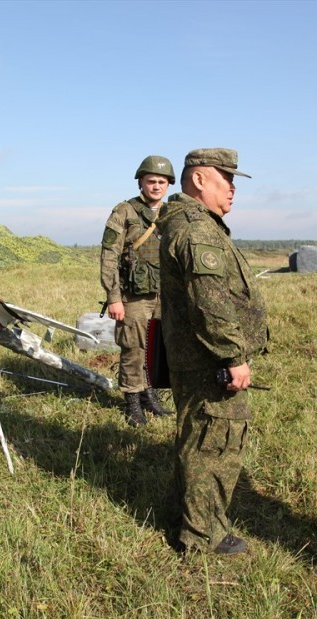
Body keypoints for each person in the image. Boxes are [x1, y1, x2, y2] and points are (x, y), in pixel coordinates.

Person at [158, 148, 268, 555]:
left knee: (197, 436)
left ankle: (183, 515)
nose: (233, 188)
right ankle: (203, 535)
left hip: (198, 356)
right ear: (200, 179)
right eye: (226, 178)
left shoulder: (197, 224)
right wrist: (232, 356)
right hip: (209, 360)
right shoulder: (197, 229)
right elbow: (209, 302)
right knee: (215, 443)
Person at [99, 155, 177, 427]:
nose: (156, 186)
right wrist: (114, 297)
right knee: (133, 346)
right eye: (151, 181)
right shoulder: (124, 211)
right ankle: (132, 402)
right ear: (141, 182)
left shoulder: (171, 213)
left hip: (162, 293)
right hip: (132, 294)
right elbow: (109, 255)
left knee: (156, 347)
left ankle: (149, 395)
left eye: (162, 182)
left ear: (168, 184)